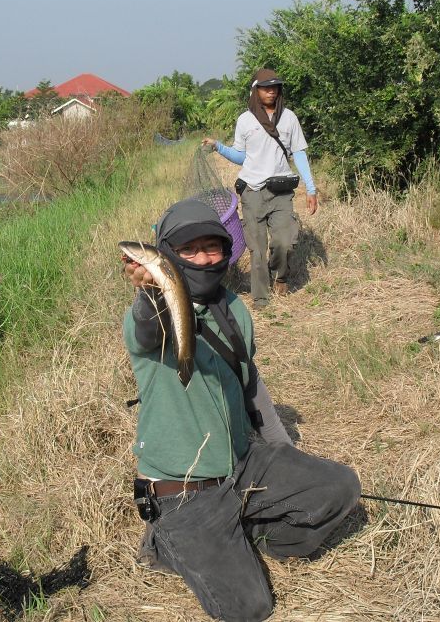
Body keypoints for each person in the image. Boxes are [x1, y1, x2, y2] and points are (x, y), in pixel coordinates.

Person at [121, 198, 361, 622]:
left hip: (241, 463)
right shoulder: (152, 307)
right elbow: (145, 326)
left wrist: (284, 452)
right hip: (185, 489)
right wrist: (148, 289)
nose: (203, 258)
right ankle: (168, 542)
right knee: (251, 607)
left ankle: (244, 532)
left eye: (212, 247)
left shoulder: (234, 307)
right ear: (167, 255)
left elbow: (250, 383)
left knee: (341, 486)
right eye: (188, 250)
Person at [202, 69, 317, 308]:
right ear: (256, 90)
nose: (271, 91)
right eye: (266, 87)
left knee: (284, 242)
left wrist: (311, 188)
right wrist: (218, 147)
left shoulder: (289, 118)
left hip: (281, 191)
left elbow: (299, 153)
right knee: (257, 247)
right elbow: (241, 156)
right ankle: (261, 298)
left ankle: (280, 276)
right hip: (252, 191)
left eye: (275, 87)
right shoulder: (245, 120)